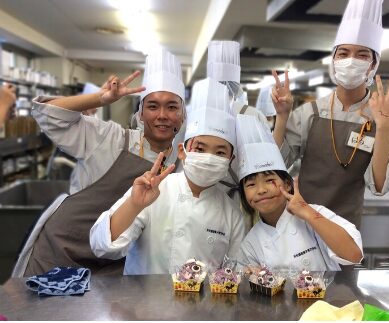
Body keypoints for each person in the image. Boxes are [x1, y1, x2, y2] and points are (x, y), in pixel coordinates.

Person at [13, 46, 187, 277]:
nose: (162, 115)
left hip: (115, 264)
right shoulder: (109, 138)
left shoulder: (181, 163)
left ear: (183, 115)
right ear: (141, 113)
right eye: (153, 106)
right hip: (61, 252)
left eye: (172, 106)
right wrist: (99, 98)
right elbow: (48, 116)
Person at [271, 0, 389, 228]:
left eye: (362, 55)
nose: (351, 60)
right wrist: (283, 117)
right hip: (300, 224)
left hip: (346, 230)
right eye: (343, 53)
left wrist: (382, 128)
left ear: (373, 65)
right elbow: (276, 163)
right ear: (333, 61)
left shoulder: (386, 118)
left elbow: (380, 186)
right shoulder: (310, 113)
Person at [90, 78, 245, 274]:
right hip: (143, 302)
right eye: (199, 148)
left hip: (204, 304)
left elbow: (233, 273)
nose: (208, 158)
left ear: (230, 160)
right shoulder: (155, 190)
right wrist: (134, 205)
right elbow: (101, 246)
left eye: (220, 153)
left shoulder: (232, 213)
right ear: (182, 152)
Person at [235, 115, 362, 270]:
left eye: (269, 180)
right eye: (251, 184)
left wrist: (307, 212)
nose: (261, 190)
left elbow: (353, 255)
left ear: (288, 184)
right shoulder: (251, 243)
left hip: (328, 295)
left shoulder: (315, 214)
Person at [206, 40, 269, 229]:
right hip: (210, 198)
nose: (223, 90)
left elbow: (267, 161)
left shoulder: (252, 115)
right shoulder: (199, 114)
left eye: (227, 85)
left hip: (244, 201)